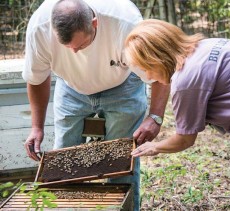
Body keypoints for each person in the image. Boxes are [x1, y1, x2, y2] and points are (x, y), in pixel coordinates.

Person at [124, 19, 230, 210]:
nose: (148, 76)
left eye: (147, 67)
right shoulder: (210, 45)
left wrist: (155, 147)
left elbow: (184, 140)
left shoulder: (186, 81)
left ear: (157, 57)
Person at [22, 1, 170, 210]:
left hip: (123, 84)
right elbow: (36, 78)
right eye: (67, 47)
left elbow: (160, 72)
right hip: (71, 85)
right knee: (63, 156)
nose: (74, 53)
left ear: (94, 23)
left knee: (122, 159)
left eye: (80, 45)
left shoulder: (126, 23)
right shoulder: (39, 27)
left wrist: (155, 116)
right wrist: (36, 127)